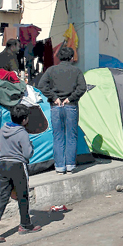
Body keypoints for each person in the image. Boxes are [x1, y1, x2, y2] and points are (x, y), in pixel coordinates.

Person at [0, 104, 42, 242]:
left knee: (2, 196)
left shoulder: (3, 129)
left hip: (3, 166)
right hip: (18, 166)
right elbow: (28, 153)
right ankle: (25, 224)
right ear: (25, 120)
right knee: (23, 195)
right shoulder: (22, 133)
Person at [39, 46, 88, 174]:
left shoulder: (51, 70)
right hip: (71, 106)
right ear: (72, 58)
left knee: (58, 136)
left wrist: (54, 98)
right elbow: (82, 88)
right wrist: (71, 98)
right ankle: (70, 164)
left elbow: (41, 85)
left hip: (56, 106)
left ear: (59, 57)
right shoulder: (76, 71)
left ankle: (60, 166)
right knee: (71, 135)